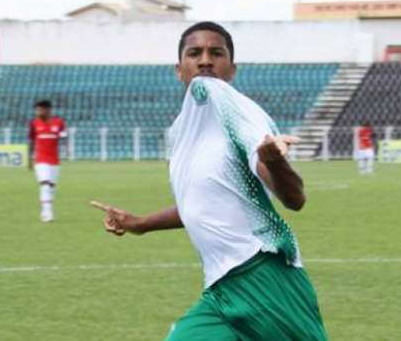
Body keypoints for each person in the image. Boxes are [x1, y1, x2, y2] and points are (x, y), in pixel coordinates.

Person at [91, 22, 327, 340]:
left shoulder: (240, 112)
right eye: (195, 53)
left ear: (231, 69)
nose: (205, 60)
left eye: (216, 53)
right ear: (179, 69)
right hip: (220, 291)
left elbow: (294, 199)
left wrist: (274, 160)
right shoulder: (181, 132)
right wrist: (141, 223)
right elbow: (204, 203)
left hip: (264, 277)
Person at [28, 99, 67, 222]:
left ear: (48, 110)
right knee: (44, 184)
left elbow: (64, 137)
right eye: (37, 109)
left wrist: (66, 145)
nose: (38, 112)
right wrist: (29, 158)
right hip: (40, 160)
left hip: (54, 161)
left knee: (51, 187)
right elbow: (31, 141)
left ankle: (48, 208)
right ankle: (47, 212)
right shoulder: (34, 123)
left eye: (40, 109)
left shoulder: (59, 122)